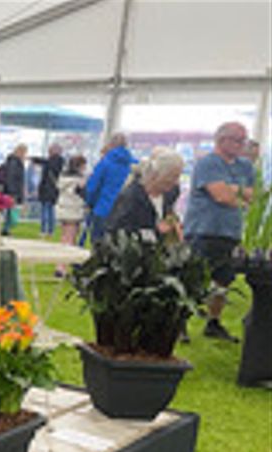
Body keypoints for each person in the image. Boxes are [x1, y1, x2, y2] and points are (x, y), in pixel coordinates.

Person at [183, 122, 255, 342]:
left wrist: (233, 191)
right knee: (195, 279)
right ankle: (179, 323)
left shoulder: (246, 166)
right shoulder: (208, 164)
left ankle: (213, 322)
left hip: (230, 232)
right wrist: (237, 193)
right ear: (221, 140)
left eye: (243, 140)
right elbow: (221, 196)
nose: (241, 145)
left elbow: (252, 195)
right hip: (204, 229)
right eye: (237, 140)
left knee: (224, 280)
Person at [105, 147, 184, 239]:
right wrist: (155, 231)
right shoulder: (131, 197)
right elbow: (116, 232)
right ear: (156, 175)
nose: (176, 182)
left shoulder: (170, 195)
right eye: (172, 176)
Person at [84, 133, 136, 245]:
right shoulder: (134, 166)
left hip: (103, 209)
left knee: (98, 246)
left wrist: (90, 202)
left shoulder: (105, 163)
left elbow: (93, 187)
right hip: (125, 212)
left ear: (110, 144)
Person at [54, 154, 88, 277]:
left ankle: (60, 265)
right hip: (73, 210)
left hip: (63, 208)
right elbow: (83, 195)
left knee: (64, 238)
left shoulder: (63, 178)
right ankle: (62, 268)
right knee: (70, 239)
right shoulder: (79, 181)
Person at [31, 143, 64, 237]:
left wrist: (35, 159)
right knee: (50, 210)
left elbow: (46, 163)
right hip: (52, 190)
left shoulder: (55, 161)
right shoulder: (58, 161)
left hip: (49, 189)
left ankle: (44, 230)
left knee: (46, 210)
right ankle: (50, 230)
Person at [0, 144, 28, 235]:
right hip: (12, 190)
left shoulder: (14, 161)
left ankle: (6, 229)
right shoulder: (15, 162)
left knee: (10, 211)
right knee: (10, 212)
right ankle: (6, 228)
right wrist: (13, 191)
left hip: (12, 189)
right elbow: (12, 177)